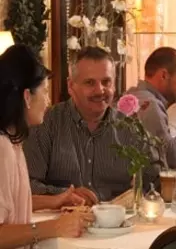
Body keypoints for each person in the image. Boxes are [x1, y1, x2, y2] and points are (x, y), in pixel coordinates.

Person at [23, 46, 161, 203]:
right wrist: (66, 195)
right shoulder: (46, 124)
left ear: (114, 85)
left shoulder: (130, 129)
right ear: (70, 86)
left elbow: (156, 178)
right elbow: (28, 185)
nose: (100, 90)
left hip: (120, 223)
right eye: (90, 83)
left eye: (106, 82)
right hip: (62, 222)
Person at [0, 44, 95, 249]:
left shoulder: (12, 142)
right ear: (27, 97)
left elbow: (9, 206)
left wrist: (55, 201)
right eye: (44, 91)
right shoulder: (2, 148)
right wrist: (55, 227)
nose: (48, 100)